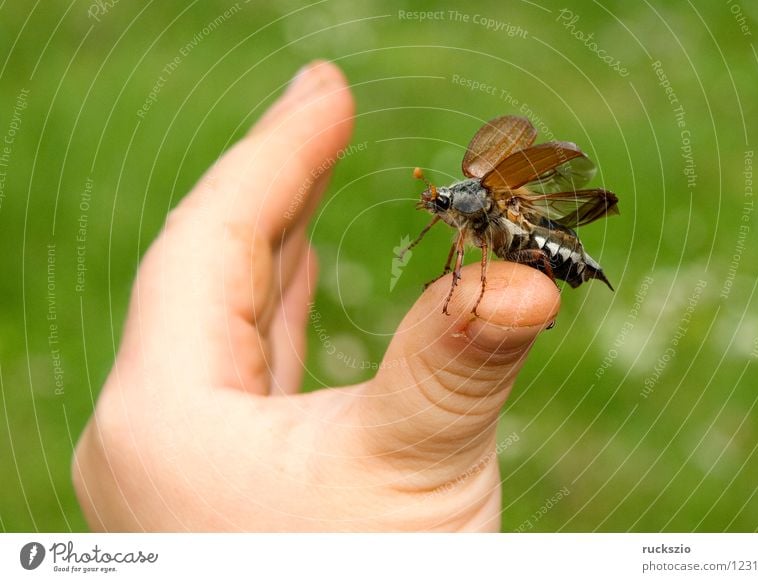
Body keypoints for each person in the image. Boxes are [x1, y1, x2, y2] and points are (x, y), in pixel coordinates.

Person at [72, 61, 560, 531]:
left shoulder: (485, 201)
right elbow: (453, 223)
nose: (437, 207)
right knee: (488, 269)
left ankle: (539, 269)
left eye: (443, 202)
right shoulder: (460, 209)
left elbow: (471, 229)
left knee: (534, 252)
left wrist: (456, 277)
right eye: (438, 202)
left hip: (542, 234)